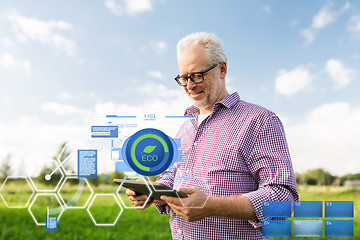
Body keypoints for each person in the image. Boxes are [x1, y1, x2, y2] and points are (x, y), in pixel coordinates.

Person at [126, 32, 299, 239]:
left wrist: (211, 205)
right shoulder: (186, 126)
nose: (189, 86)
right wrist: (153, 193)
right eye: (183, 78)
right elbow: (173, 175)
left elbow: (282, 199)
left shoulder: (260, 120)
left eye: (197, 75)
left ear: (222, 69)